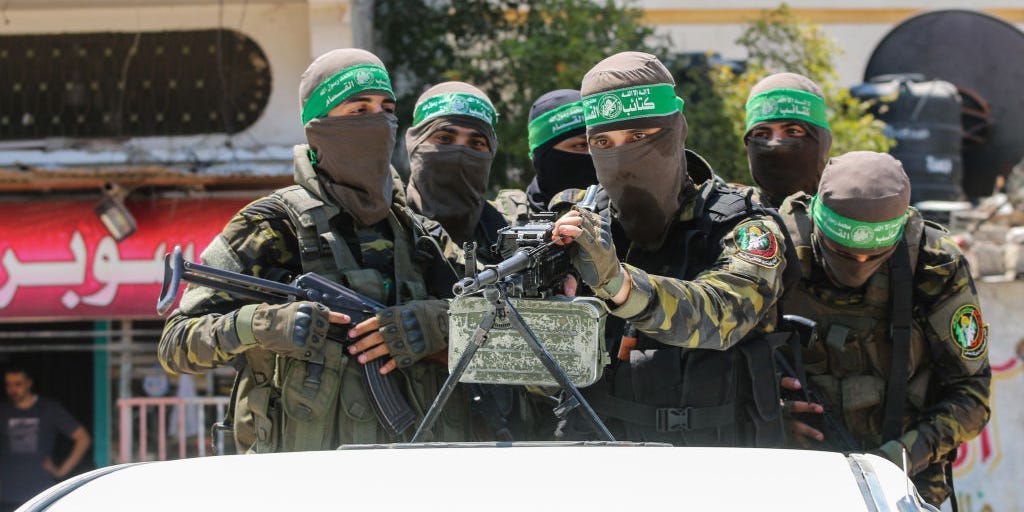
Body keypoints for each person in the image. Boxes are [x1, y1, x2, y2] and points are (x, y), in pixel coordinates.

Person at [159, 48, 473, 452]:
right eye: (359, 110)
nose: (378, 121)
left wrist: (435, 323)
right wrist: (258, 325)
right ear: (319, 126)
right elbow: (176, 344)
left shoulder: (416, 231)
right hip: (302, 479)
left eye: (387, 108)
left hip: (410, 472)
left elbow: (500, 334)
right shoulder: (268, 226)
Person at [550, 51, 789, 446]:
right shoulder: (579, 219)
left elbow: (724, 312)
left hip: (720, 461)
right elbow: (537, 381)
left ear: (676, 131)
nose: (622, 157)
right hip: (599, 453)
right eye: (603, 142)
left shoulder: (742, 222)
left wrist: (619, 285)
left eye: (640, 137)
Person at [777, 151, 991, 506]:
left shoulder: (932, 263)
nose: (858, 265)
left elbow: (973, 396)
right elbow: (723, 362)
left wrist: (895, 460)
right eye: (842, 252)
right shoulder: (780, 251)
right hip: (797, 479)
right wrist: (774, 416)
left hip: (904, 490)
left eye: (873, 256)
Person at [404, 81, 509, 261]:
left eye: (476, 144)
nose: (459, 153)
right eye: (444, 138)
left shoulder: (509, 239)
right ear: (415, 143)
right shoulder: (388, 230)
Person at [1, 367, 91, 510]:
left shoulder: (49, 409)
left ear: (29, 383)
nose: (13, 389)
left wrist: (61, 471)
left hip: (41, 493)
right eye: (9, 385)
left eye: (18, 384)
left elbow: (83, 438)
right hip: (6, 496)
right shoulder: (3, 411)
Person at [743, 72, 832, 208]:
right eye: (761, 134)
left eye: (793, 132)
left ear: (822, 141)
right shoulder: (728, 217)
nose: (775, 143)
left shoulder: (849, 216)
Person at [524, 89, 597, 213]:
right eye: (580, 145)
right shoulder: (502, 222)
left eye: (600, 143)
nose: (593, 155)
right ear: (544, 155)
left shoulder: (621, 217)